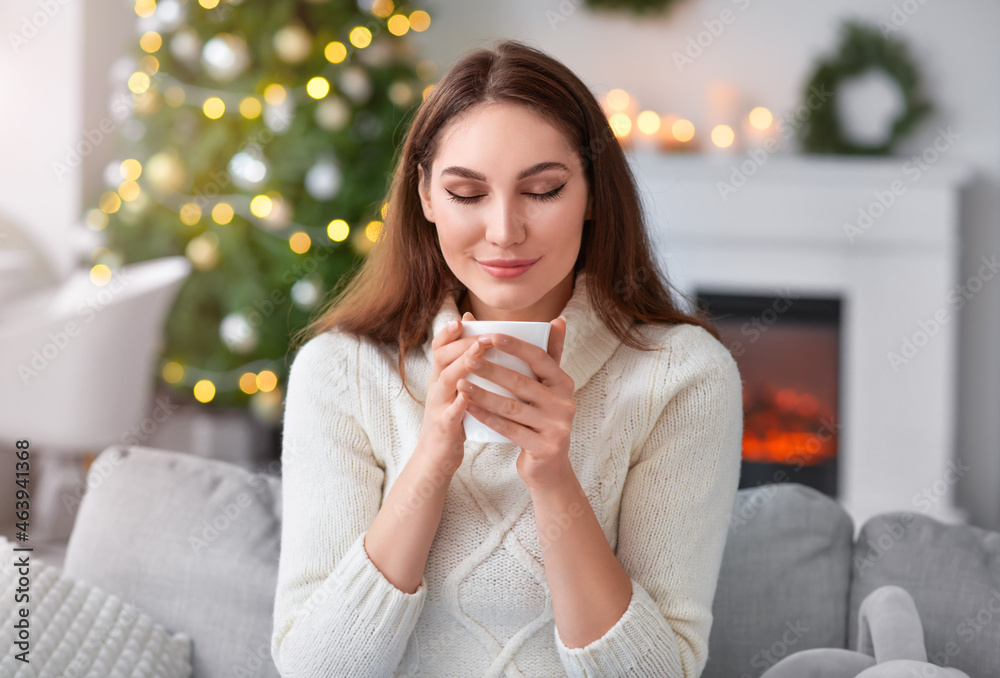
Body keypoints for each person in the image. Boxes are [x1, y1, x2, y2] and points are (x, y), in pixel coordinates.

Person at [270, 38, 744, 678]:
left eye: (543, 191)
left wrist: (552, 478)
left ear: (593, 193)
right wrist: (432, 460)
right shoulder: (342, 371)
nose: (503, 231)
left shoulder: (683, 377)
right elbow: (314, 669)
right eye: (467, 194)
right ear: (427, 198)